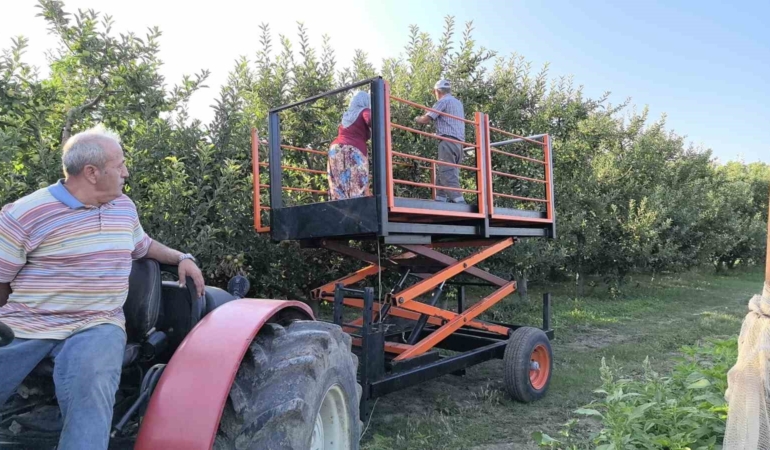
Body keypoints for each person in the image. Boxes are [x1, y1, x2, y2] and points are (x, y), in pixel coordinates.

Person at [0, 125, 205, 450]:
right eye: (120, 165)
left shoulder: (123, 207)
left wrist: (182, 257)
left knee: (91, 386)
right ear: (92, 172)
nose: (126, 172)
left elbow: (142, 245)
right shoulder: (24, 214)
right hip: (27, 325)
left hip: (97, 324)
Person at [414, 79, 467, 203]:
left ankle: (459, 202)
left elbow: (426, 119)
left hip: (447, 142)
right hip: (459, 144)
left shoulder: (443, 101)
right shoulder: (457, 103)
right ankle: (440, 199)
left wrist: (416, 118)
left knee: (447, 172)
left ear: (438, 91)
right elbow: (450, 123)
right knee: (445, 170)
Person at [327, 90, 371, 200]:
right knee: (357, 181)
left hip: (335, 149)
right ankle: (358, 206)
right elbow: (371, 119)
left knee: (338, 182)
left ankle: (340, 205)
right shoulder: (364, 110)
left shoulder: (347, 115)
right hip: (353, 149)